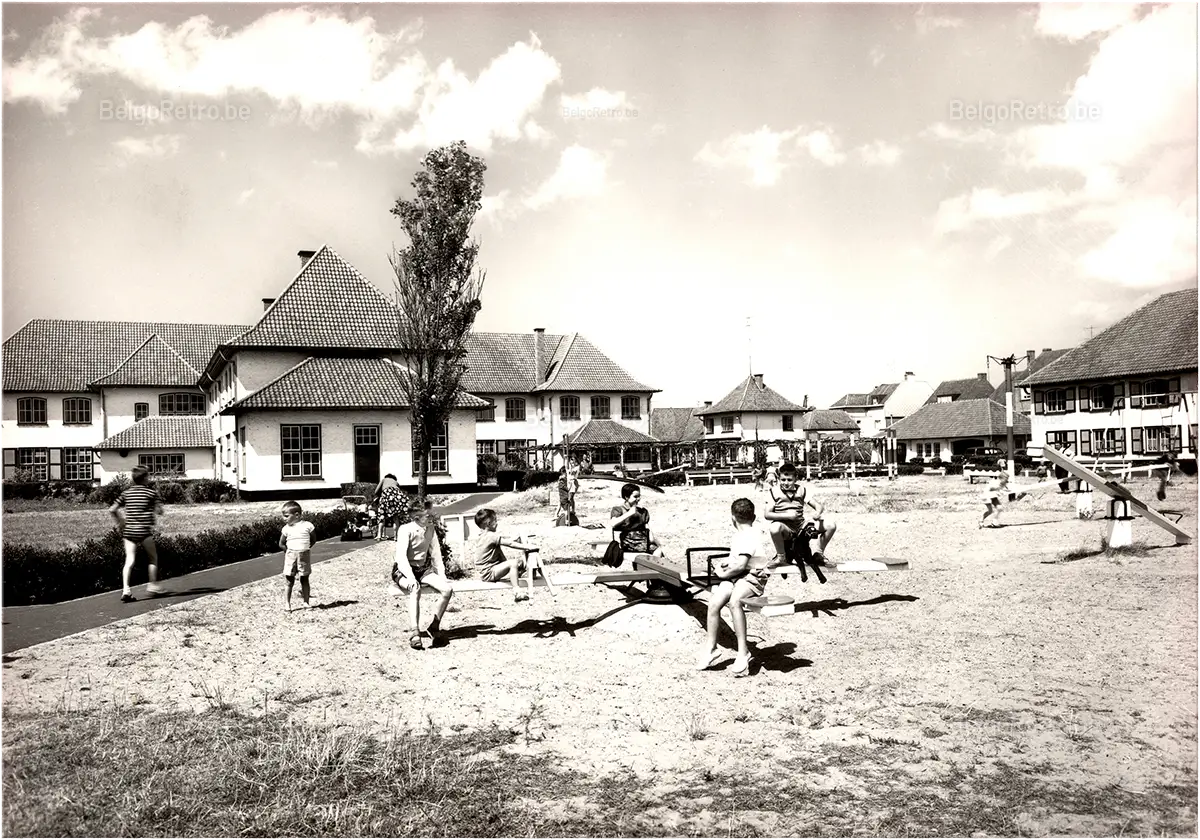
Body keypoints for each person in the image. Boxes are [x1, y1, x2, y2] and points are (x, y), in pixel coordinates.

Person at [697, 497, 772, 677]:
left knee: (734, 602)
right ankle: (711, 648)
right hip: (738, 576)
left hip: (752, 577)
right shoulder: (739, 536)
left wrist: (722, 574)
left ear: (732, 517)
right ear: (753, 517)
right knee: (714, 603)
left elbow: (741, 565)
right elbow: (737, 561)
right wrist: (726, 564)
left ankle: (743, 652)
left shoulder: (750, 535)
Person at [392, 500, 455, 650]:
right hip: (403, 570)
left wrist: (442, 576)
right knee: (415, 589)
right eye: (428, 515)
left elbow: (436, 554)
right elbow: (401, 557)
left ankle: (434, 626)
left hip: (422, 569)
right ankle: (415, 632)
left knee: (447, 590)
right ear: (417, 518)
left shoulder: (430, 529)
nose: (432, 517)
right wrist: (410, 578)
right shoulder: (405, 529)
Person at [110, 465, 167, 603]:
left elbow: (112, 509)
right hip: (144, 531)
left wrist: (120, 522)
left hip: (129, 531)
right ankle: (152, 585)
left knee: (129, 560)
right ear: (145, 478)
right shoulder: (151, 493)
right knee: (152, 558)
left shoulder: (126, 493)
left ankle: (126, 590)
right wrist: (154, 508)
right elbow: (160, 511)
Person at [763, 462, 837, 566]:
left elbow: (818, 506)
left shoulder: (801, 490)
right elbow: (767, 514)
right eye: (783, 480)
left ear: (795, 479)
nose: (786, 483)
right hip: (785, 527)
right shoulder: (773, 492)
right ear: (779, 479)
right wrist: (787, 516)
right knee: (774, 528)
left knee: (831, 525)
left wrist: (817, 513)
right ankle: (781, 557)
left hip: (801, 526)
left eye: (789, 480)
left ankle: (818, 554)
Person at [473, 508, 557, 601]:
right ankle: (517, 591)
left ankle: (523, 573)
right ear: (489, 523)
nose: (497, 523)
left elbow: (505, 540)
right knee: (513, 563)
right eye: (495, 520)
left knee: (519, 563)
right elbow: (510, 544)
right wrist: (527, 547)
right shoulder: (491, 536)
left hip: (487, 571)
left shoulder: (483, 536)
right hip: (489, 572)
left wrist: (515, 541)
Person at [609, 483, 665, 560]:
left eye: (639, 496)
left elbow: (648, 531)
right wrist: (629, 513)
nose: (638, 499)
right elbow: (613, 523)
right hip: (627, 544)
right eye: (635, 496)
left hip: (642, 543)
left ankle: (650, 566)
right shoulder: (618, 510)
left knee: (658, 551)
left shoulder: (642, 511)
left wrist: (657, 543)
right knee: (655, 552)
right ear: (626, 497)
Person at [279, 500, 317, 611]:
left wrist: (305, 548)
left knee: (304, 579)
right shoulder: (286, 528)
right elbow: (281, 543)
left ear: (297, 515)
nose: (284, 518)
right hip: (291, 555)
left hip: (304, 555)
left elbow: (313, 539)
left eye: (286, 516)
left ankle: (306, 602)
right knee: (289, 580)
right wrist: (289, 552)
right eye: (283, 516)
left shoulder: (308, 525)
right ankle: (287, 604)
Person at [373, 473, 404, 540]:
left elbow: (376, 491)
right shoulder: (396, 482)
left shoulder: (384, 480)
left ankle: (379, 536)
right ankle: (396, 536)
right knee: (395, 517)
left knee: (382, 516)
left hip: (386, 494)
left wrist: (379, 496)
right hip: (397, 496)